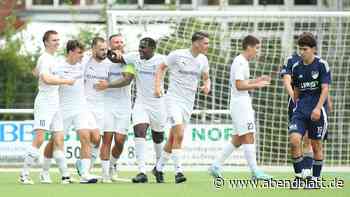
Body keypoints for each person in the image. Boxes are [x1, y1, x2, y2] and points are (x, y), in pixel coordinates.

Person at [208, 35, 272, 180]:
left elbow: (243, 82)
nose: (258, 51)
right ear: (249, 47)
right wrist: (257, 85)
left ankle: (215, 166)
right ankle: (255, 172)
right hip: (240, 104)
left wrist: (257, 79)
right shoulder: (240, 62)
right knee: (249, 135)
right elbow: (239, 85)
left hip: (241, 102)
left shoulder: (243, 62)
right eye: (257, 48)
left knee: (238, 139)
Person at [153, 31, 211, 184]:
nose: (208, 46)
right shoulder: (177, 55)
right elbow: (160, 68)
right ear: (196, 43)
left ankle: (158, 168)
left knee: (173, 137)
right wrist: (158, 86)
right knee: (179, 134)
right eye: (205, 43)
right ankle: (178, 171)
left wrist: (207, 85)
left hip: (188, 102)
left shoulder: (203, 59)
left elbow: (206, 77)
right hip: (173, 100)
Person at [19, 30, 74, 184]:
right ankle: (24, 174)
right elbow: (45, 78)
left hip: (55, 102)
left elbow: (36, 73)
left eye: (58, 39)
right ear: (46, 42)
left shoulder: (53, 59)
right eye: (54, 40)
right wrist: (65, 81)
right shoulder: (45, 58)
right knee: (40, 138)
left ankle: (64, 175)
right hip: (44, 103)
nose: (57, 42)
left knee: (59, 138)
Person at [280, 45, 333, 179]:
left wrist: (328, 100)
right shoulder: (292, 61)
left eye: (305, 48)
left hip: (315, 105)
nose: (302, 51)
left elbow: (324, 86)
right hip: (298, 105)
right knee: (295, 139)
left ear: (312, 48)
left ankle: (309, 174)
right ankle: (301, 174)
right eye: (301, 48)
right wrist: (294, 99)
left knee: (311, 140)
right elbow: (287, 80)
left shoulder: (319, 63)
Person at [56, 40, 99, 183]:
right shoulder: (58, 67)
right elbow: (46, 80)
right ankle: (60, 173)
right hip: (63, 109)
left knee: (86, 138)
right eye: (79, 52)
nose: (82, 55)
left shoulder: (83, 61)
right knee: (57, 141)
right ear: (70, 52)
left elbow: (97, 51)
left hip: (81, 108)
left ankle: (85, 174)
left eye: (82, 52)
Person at [94, 34, 135, 183]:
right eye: (115, 42)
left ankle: (112, 166)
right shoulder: (104, 61)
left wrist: (109, 84)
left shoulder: (129, 60)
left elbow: (127, 79)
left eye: (121, 42)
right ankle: (105, 174)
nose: (119, 44)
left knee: (120, 141)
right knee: (107, 139)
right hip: (107, 104)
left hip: (124, 105)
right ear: (110, 45)